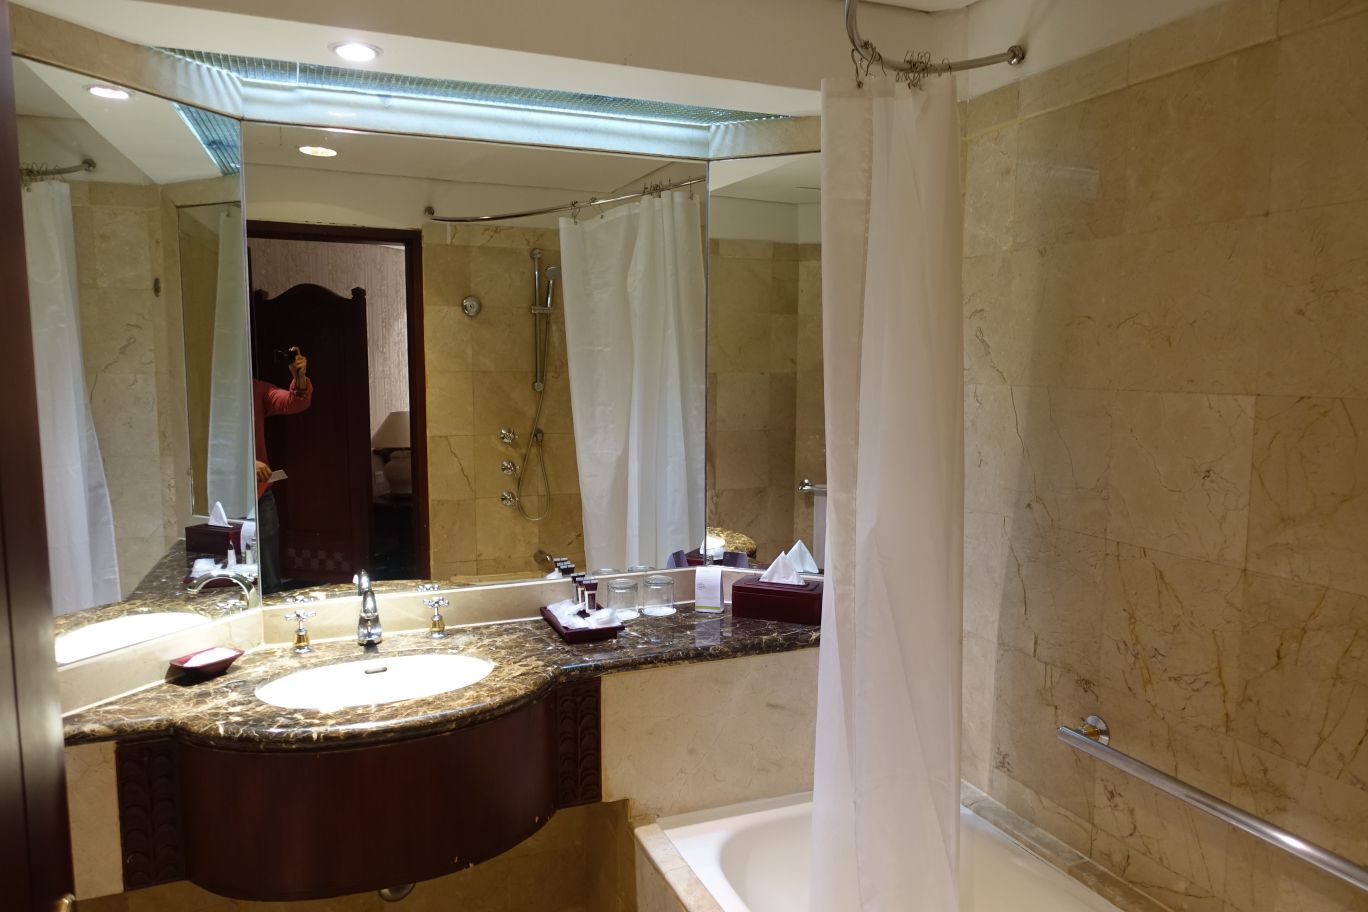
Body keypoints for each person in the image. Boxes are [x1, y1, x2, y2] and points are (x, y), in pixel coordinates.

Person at [254, 346, 312, 593]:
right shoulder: (209, 395)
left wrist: (299, 378)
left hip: (260, 491)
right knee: (231, 568)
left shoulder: (255, 389)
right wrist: (245, 464)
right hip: (224, 496)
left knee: (269, 573)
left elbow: (293, 403)